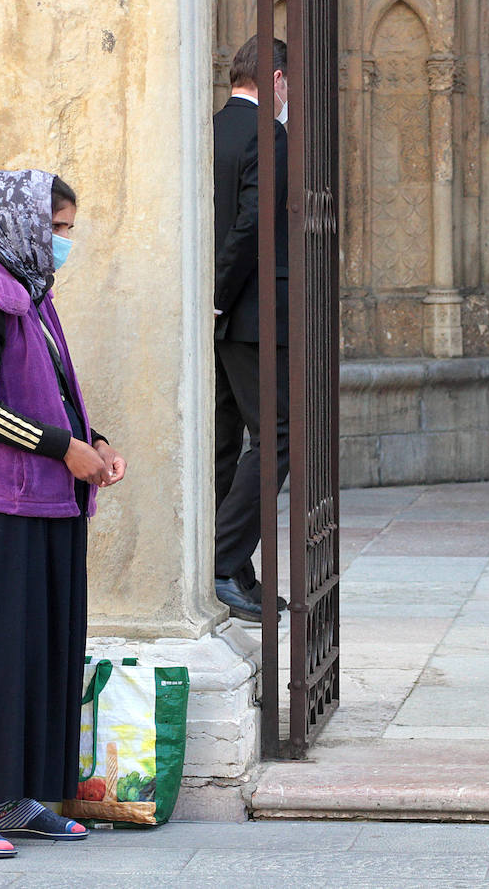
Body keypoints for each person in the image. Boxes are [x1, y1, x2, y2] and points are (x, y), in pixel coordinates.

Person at [0, 169, 127, 857]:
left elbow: (52, 391)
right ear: (23, 224)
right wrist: (63, 449)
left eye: (68, 229)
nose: (65, 242)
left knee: (46, 650)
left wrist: (94, 443)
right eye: (59, 228)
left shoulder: (32, 292)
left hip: (51, 498)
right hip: (5, 501)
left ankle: (18, 800)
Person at [212, 36, 292, 622]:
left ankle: (234, 572)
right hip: (249, 315)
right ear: (279, 79)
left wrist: (203, 301)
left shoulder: (210, 130)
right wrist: (219, 296)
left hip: (213, 317)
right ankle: (221, 561)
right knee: (278, 436)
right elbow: (252, 225)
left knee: (222, 442)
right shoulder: (270, 133)